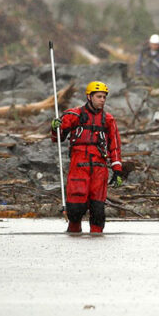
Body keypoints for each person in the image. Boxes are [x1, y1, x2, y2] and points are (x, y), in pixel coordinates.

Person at [51, 81, 124, 233]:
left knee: (98, 210)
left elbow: (115, 146)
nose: (102, 100)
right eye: (99, 96)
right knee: (76, 209)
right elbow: (58, 138)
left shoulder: (108, 120)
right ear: (89, 97)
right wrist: (55, 128)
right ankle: (73, 234)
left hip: (100, 168)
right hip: (79, 167)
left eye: (104, 97)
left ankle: (96, 236)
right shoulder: (73, 115)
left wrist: (117, 170)